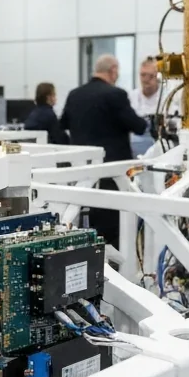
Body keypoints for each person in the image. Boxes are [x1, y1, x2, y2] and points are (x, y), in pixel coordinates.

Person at [61, 56, 147, 248]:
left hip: (82, 170)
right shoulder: (116, 95)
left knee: (83, 217)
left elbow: (63, 124)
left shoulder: (75, 94)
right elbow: (138, 126)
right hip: (112, 171)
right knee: (113, 223)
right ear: (113, 70)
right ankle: (113, 265)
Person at [128, 57, 161, 157]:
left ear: (158, 77)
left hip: (157, 151)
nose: (146, 79)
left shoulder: (165, 98)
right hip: (133, 151)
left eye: (151, 76)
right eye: (143, 75)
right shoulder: (131, 96)